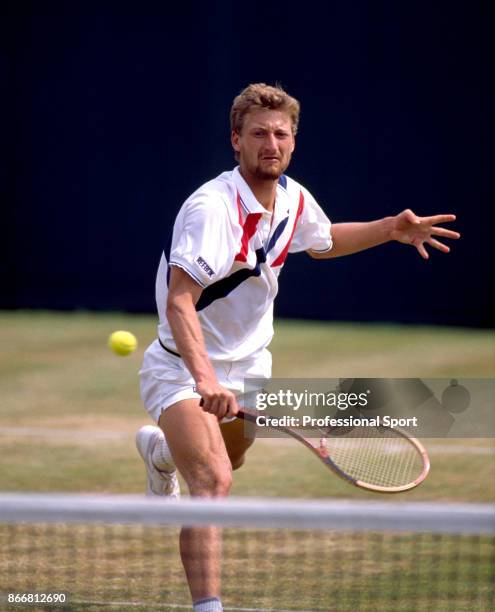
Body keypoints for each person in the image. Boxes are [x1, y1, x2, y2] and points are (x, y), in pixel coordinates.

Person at [136, 83, 460, 612]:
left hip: (250, 366)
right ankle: (208, 606)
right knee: (214, 480)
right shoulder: (210, 209)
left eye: (281, 133)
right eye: (259, 132)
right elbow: (179, 302)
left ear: (293, 142)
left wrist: (391, 229)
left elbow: (325, 240)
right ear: (235, 141)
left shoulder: (293, 199)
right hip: (181, 367)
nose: (272, 142)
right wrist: (205, 382)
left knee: (230, 458)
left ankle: (160, 451)